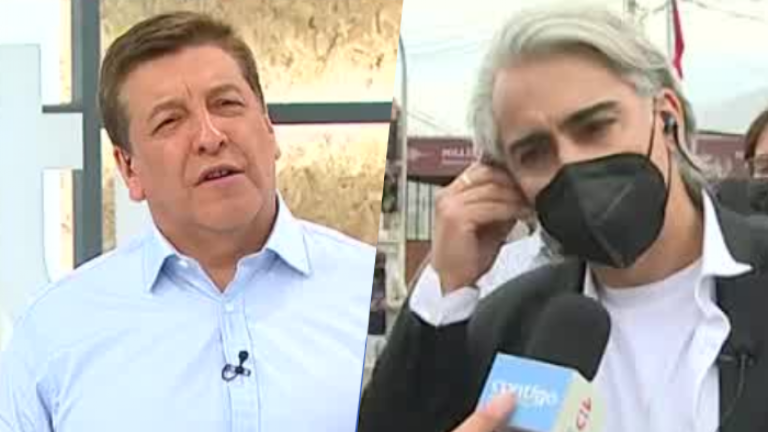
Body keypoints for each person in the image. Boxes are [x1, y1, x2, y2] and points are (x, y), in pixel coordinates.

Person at [359, 6, 768, 432]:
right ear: (508, 180)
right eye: (534, 153)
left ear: (667, 119)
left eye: (595, 128)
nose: (570, 163)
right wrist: (447, 283)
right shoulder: (510, 324)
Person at [0, 12, 375, 432]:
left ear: (268, 128)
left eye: (227, 104)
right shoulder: (54, 333)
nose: (210, 137)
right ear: (129, 168)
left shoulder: (365, 291)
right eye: (170, 121)